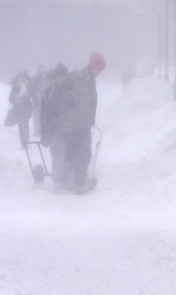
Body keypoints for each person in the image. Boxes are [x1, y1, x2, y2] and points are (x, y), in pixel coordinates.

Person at [58, 52, 106, 193]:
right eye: (100, 69)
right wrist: (78, 119)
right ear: (94, 67)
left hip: (79, 123)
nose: (100, 73)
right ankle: (77, 185)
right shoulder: (81, 78)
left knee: (72, 153)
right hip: (77, 124)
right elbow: (75, 102)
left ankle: (64, 182)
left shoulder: (87, 78)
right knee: (83, 155)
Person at [40, 63, 69, 191]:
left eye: (63, 75)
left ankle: (65, 180)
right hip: (55, 130)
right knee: (57, 157)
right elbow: (44, 114)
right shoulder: (48, 93)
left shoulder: (70, 89)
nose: (61, 78)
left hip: (68, 129)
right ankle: (57, 182)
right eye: (59, 76)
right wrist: (44, 132)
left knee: (67, 156)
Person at [7, 71, 34, 147]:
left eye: (24, 76)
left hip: (27, 108)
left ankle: (25, 142)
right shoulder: (15, 86)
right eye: (21, 76)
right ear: (18, 77)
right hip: (18, 109)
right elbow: (10, 98)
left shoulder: (29, 85)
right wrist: (16, 100)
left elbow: (33, 94)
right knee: (22, 125)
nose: (22, 78)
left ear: (26, 77)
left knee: (24, 124)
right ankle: (24, 142)